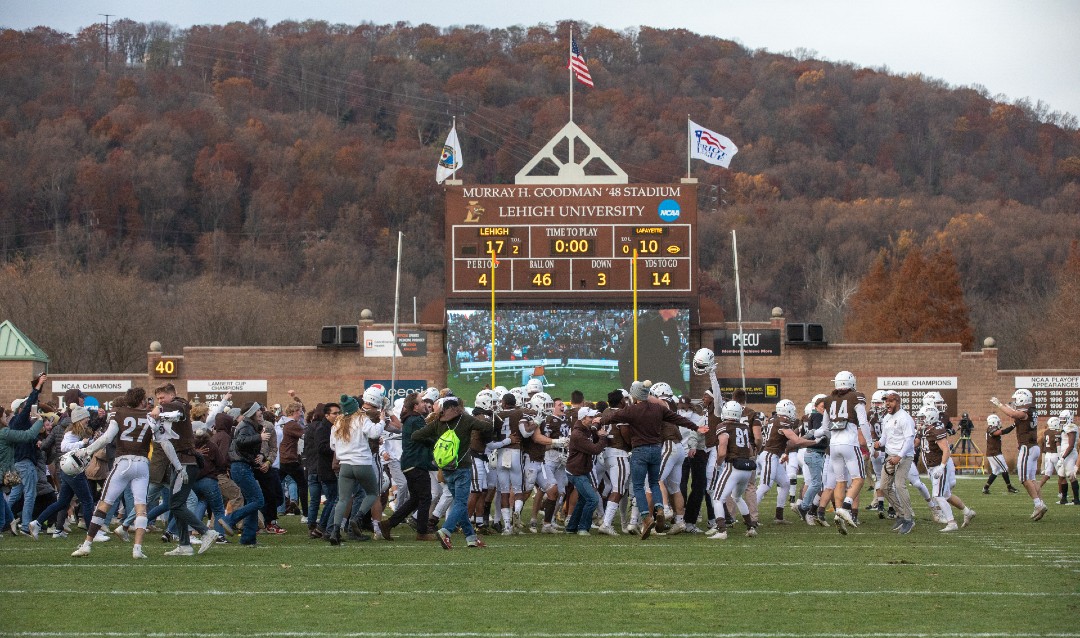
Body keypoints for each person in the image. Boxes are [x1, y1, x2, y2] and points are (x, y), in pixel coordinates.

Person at [599, 380, 699, 539]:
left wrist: (600, 420)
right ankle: (667, 512)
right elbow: (679, 419)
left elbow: (615, 416)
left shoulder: (636, 409)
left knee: (641, 486)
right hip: (663, 449)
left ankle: (647, 517)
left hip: (649, 448)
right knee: (662, 485)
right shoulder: (663, 408)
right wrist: (696, 427)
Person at [412, 396, 495, 549]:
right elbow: (487, 428)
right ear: (458, 409)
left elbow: (416, 436)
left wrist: (436, 444)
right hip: (462, 467)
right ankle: (446, 531)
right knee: (461, 503)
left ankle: (471, 537)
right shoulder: (466, 420)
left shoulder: (438, 422)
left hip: (446, 469)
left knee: (460, 505)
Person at [154, 383, 219, 555]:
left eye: (163, 397)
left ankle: (206, 532)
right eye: (158, 398)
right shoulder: (171, 409)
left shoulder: (178, 405)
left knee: (175, 504)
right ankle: (184, 544)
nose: (160, 401)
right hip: (180, 462)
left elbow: (177, 408)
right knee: (177, 504)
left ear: (172, 394)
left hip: (185, 463)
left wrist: (159, 409)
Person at [812, 371, 871, 534]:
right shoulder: (856, 397)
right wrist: (870, 444)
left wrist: (833, 438)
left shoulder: (829, 400)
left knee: (840, 481)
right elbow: (864, 423)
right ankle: (845, 508)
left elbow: (825, 428)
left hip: (834, 445)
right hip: (849, 443)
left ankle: (838, 514)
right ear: (851, 383)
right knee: (859, 479)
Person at [30, 405, 97, 543]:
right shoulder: (71, 432)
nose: (88, 420)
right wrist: (82, 443)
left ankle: (37, 523)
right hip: (72, 470)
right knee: (87, 501)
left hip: (70, 470)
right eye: (86, 418)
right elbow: (64, 446)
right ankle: (93, 534)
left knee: (62, 502)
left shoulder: (79, 431)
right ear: (79, 419)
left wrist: (91, 441)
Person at [326, 391, 385, 545]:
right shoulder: (361, 418)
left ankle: (335, 531)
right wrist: (382, 421)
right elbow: (374, 433)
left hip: (345, 465)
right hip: (362, 463)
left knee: (343, 499)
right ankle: (357, 517)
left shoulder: (337, 422)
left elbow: (332, 445)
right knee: (372, 493)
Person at [381, 393, 436, 541]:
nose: (424, 404)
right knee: (425, 498)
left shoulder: (410, 419)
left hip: (409, 463)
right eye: (421, 402)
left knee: (416, 499)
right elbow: (426, 437)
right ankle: (422, 532)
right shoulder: (416, 420)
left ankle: (389, 524)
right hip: (416, 463)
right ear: (415, 406)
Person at [754, 399, 815, 524]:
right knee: (764, 486)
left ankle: (779, 516)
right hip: (770, 455)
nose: (793, 413)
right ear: (786, 410)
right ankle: (750, 516)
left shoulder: (773, 419)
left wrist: (786, 451)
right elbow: (796, 441)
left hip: (773, 455)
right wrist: (815, 442)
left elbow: (788, 441)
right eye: (792, 410)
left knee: (785, 483)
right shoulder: (782, 420)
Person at [915, 405, 975, 532]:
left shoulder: (936, 430)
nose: (921, 420)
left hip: (939, 465)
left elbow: (946, 450)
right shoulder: (925, 429)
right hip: (932, 467)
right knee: (946, 494)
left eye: (923, 418)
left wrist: (942, 467)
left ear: (930, 418)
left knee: (938, 495)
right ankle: (967, 512)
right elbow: (916, 443)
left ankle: (951, 522)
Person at [706, 400, 759, 540]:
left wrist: (717, 464)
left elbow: (722, 450)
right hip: (746, 467)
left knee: (717, 498)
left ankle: (721, 530)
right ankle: (751, 527)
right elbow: (749, 449)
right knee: (737, 497)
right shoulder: (744, 427)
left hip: (733, 466)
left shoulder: (723, 426)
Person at [990, 389, 1047, 520]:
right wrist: (1006, 405)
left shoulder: (1024, 413)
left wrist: (999, 405)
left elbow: (1013, 414)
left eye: (1017, 400)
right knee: (1032, 480)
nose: (1015, 402)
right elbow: (1015, 412)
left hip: (1027, 447)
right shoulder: (1031, 410)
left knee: (1023, 479)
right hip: (1033, 447)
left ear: (1022, 400)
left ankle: (1038, 504)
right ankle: (1041, 504)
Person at [219, 402, 266, 547]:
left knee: (252, 502)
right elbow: (240, 442)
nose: (261, 412)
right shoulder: (245, 426)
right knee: (259, 500)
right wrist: (259, 437)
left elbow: (244, 449)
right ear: (251, 412)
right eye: (258, 410)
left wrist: (260, 456)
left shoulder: (250, 426)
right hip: (240, 468)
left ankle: (248, 538)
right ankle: (229, 520)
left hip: (243, 466)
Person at [6, 373, 48, 535]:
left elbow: (24, 439)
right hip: (25, 463)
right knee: (31, 494)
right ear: (20, 409)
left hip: (18, 462)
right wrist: (37, 387)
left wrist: (34, 442)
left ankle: (5, 521)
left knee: (16, 494)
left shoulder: (14, 424)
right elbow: (31, 400)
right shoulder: (19, 419)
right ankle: (25, 526)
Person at [872, 390, 917, 534]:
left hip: (904, 456)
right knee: (884, 487)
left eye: (890, 401)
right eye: (886, 401)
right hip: (890, 455)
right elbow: (885, 437)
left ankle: (909, 519)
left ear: (897, 401)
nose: (887, 403)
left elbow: (910, 440)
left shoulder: (905, 418)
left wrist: (900, 456)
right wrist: (878, 443)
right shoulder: (886, 418)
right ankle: (901, 514)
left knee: (899, 485)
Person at [565, 407, 607, 535]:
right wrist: (603, 438)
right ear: (583, 419)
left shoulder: (585, 430)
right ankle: (583, 527)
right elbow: (594, 449)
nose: (592, 420)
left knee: (583, 500)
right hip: (576, 472)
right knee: (592, 499)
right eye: (590, 417)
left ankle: (572, 527)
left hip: (581, 470)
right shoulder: (578, 434)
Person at [982, 414, 1019, 495]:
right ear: (993, 421)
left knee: (995, 471)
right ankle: (1009, 487)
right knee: (1004, 468)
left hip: (993, 453)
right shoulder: (991, 428)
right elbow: (1001, 432)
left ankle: (986, 488)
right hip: (994, 453)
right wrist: (1014, 425)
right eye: (998, 421)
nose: (999, 423)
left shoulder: (991, 428)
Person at [1054, 411, 1078, 505]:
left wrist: (1063, 457)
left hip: (1070, 454)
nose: (1062, 421)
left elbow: (1071, 445)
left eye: (1064, 419)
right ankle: (1064, 499)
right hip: (1064, 454)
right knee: (1061, 475)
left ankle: (1076, 500)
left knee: (1071, 475)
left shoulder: (1071, 427)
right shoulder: (1064, 427)